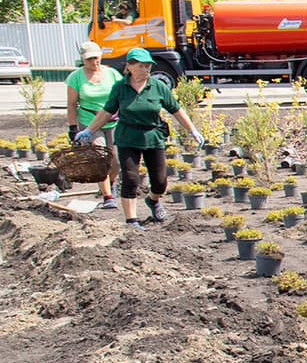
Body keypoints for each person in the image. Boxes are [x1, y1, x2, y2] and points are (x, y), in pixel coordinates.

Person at [73, 49, 206, 227]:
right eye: (141, 66)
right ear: (130, 67)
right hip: (128, 137)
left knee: (160, 182)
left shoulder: (158, 86)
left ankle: (153, 200)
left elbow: (176, 110)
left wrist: (192, 130)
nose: (146, 70)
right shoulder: (120, 88)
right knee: (130, 178)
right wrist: (89, 131)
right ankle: (131, 220)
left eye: (148, 66)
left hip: (153, 136)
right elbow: (107, 112)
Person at [66, 41, 119, 207]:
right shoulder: (75, 78)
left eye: (96, 58)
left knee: (116, 161)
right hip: (90, 123)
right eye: (89, 59)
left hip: (113, 122)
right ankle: (108, 197)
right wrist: (73, 128)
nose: (94, 62)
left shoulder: (112, 74)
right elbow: (72, 104)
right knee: (100, 157)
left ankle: (111, 182)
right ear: (83, 59)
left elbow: (123, 95)